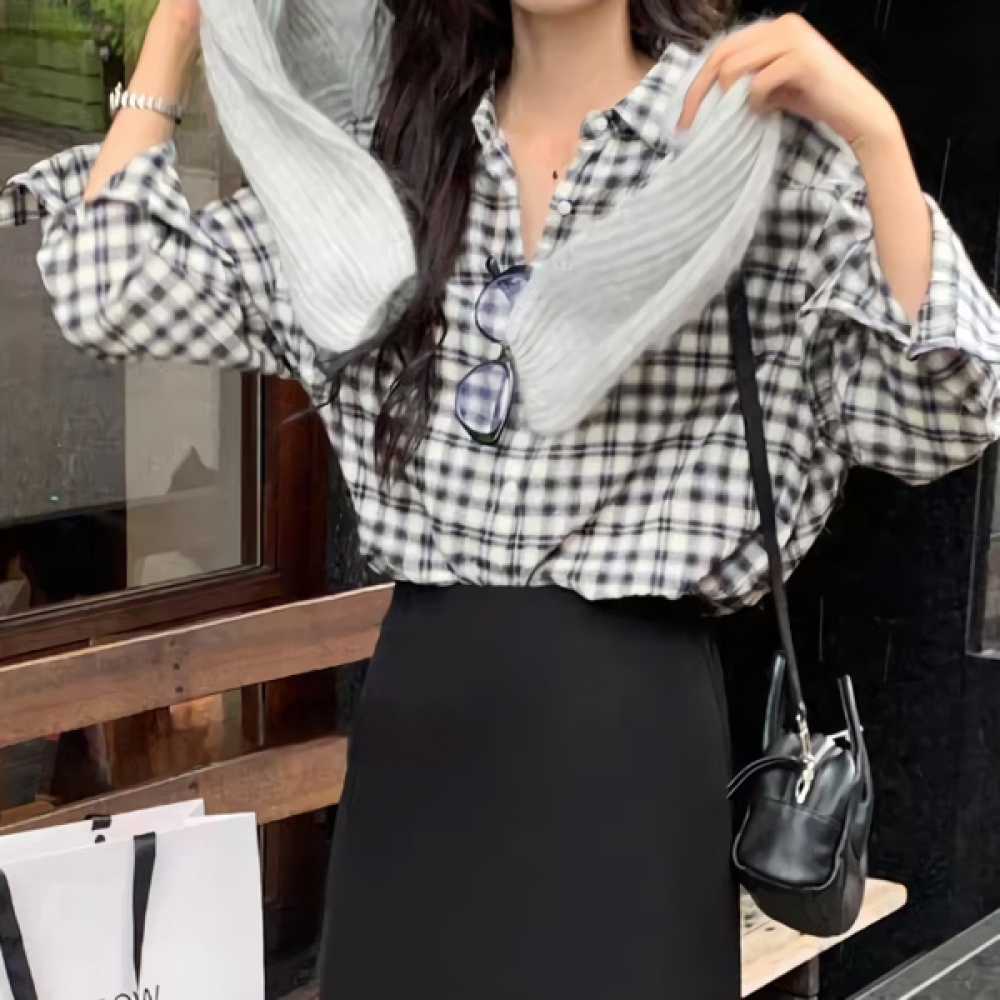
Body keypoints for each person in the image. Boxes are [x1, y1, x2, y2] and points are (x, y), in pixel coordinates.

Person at [3, 1, 999, 997]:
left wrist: (875, 135)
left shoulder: (746, 153)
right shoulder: (395, 161)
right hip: (420, 739)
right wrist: (183, 26)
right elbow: (116, 288)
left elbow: (941, 416)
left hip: (628, 746)